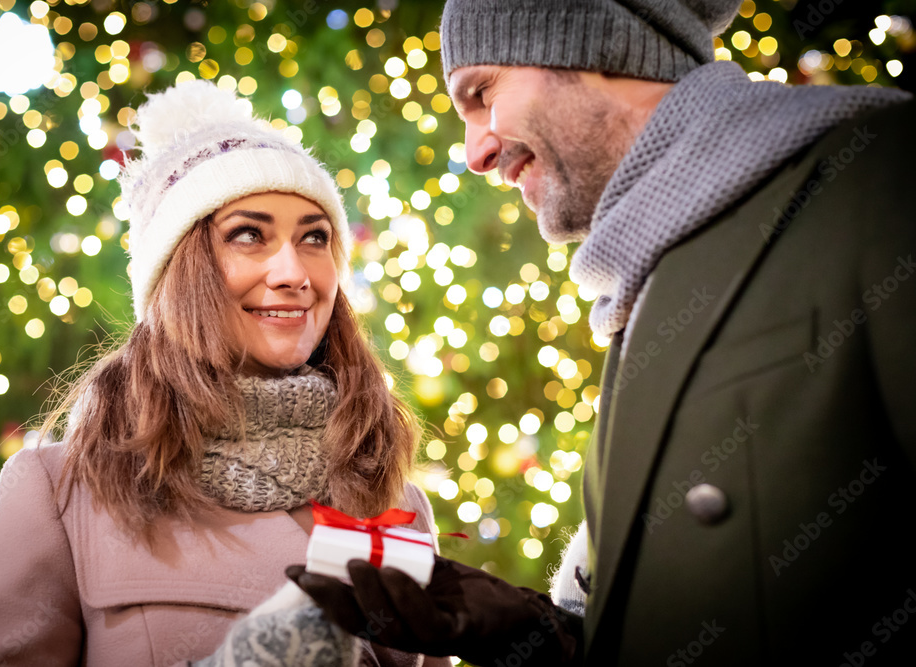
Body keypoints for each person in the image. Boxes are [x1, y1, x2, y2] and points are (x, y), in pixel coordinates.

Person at [291, 1, 916, 665]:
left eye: (481, 92)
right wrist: (527, 630)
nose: (476, 152)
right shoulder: (645, 292)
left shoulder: (879, 174)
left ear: (590, 42)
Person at [0, 80, 449, 667]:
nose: (294, 271)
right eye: (248, 235)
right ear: (177, 273)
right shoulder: (59, 493)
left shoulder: (393, 499)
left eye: (314, 237)